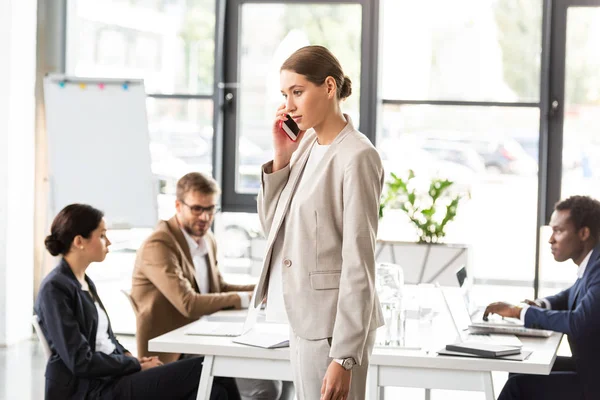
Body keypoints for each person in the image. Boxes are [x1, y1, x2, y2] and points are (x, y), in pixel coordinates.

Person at [255, 45, 384, 400]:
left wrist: (344, 356)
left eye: (298, 92)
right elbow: (273, 229)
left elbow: (360, 262)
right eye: (285, 94)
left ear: (329, 87)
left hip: (334, 330)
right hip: (304, 321)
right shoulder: (308, 144)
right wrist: (282, 157)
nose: (289, 105)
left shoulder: (357, 156)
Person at [35, 203, 238, 400]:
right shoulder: (56, 288)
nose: (109, 242)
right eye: (102, 235)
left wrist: (131, 357)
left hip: (112, 377)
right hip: (91, 389)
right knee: (213, 367)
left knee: (214, 393)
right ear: (80, 242)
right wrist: (135, 365)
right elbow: (80, 361)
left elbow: (106, 339)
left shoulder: (83, 282)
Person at [131, 172, 288, 400]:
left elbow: (217, 288)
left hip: (207, 336)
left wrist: (262, 290)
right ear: (178, 205)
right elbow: (189, 303)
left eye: (210, 209)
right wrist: (244, 298)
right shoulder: (159, 244)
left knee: (283, 380)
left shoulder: (207, 240)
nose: (205, 217)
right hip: (176, 350)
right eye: (197, 209)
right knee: (266, 389)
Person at [484, 195, 600, 399]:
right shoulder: (591, 263)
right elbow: (571, 295)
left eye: (558, 230)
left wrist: (520, 312)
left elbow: (579, 322)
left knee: (518, 388)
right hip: (590, 369)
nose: (550, 239)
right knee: (523, 368)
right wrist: (539, 304)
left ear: (583, 233)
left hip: (594, 382)